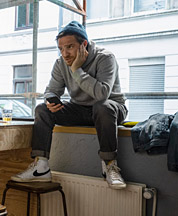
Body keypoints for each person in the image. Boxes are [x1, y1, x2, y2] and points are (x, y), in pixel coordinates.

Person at [11, 21, 128, 190]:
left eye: (70, 47)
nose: (65, 54)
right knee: (42, 110)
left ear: (84, 45)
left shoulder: (105, 58)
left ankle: (110, 165)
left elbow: (102, 94)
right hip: (80, 110)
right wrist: (51, 100)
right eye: (61, 48)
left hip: (111, 110)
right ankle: (41, 167)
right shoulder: (60, 63)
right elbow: (51, 90)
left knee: (102, 106)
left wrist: (76, 70)